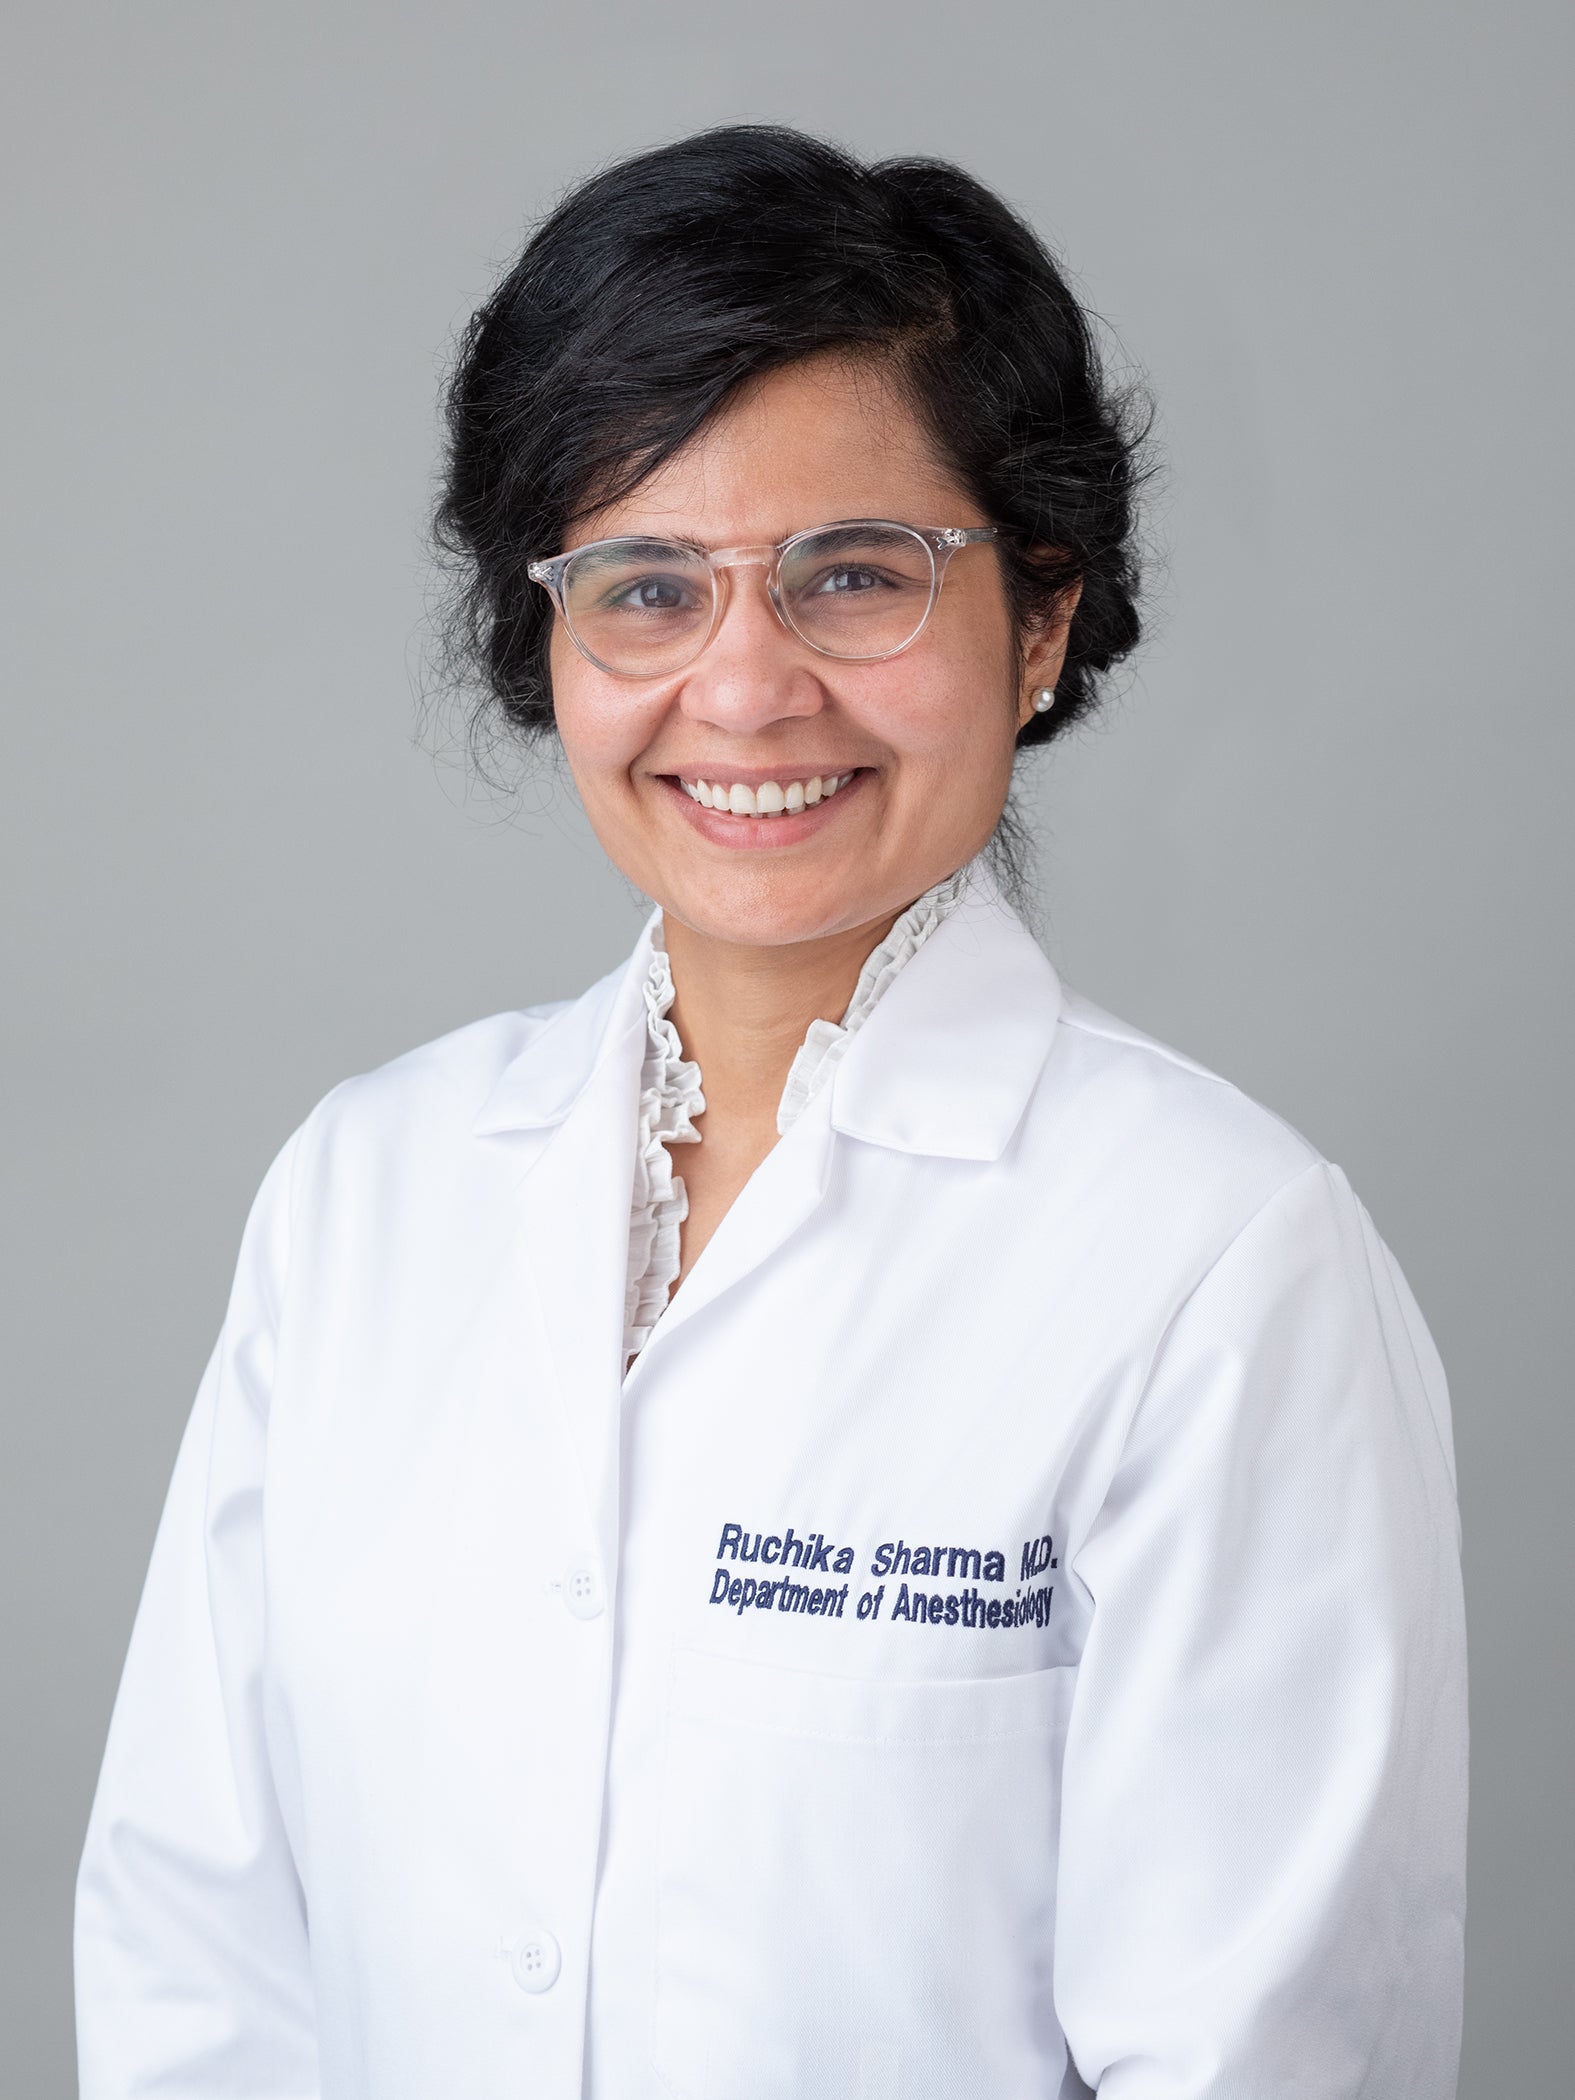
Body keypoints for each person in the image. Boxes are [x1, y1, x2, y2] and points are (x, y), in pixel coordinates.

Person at [74, 123, 1468, 2100]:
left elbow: (1258, 2058)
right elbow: (197, 1953)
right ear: (548, 639)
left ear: (1041, 618)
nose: (741, 691)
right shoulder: (364, 1194)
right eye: (645, 588)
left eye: (855, 575)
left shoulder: (1216, 1265)